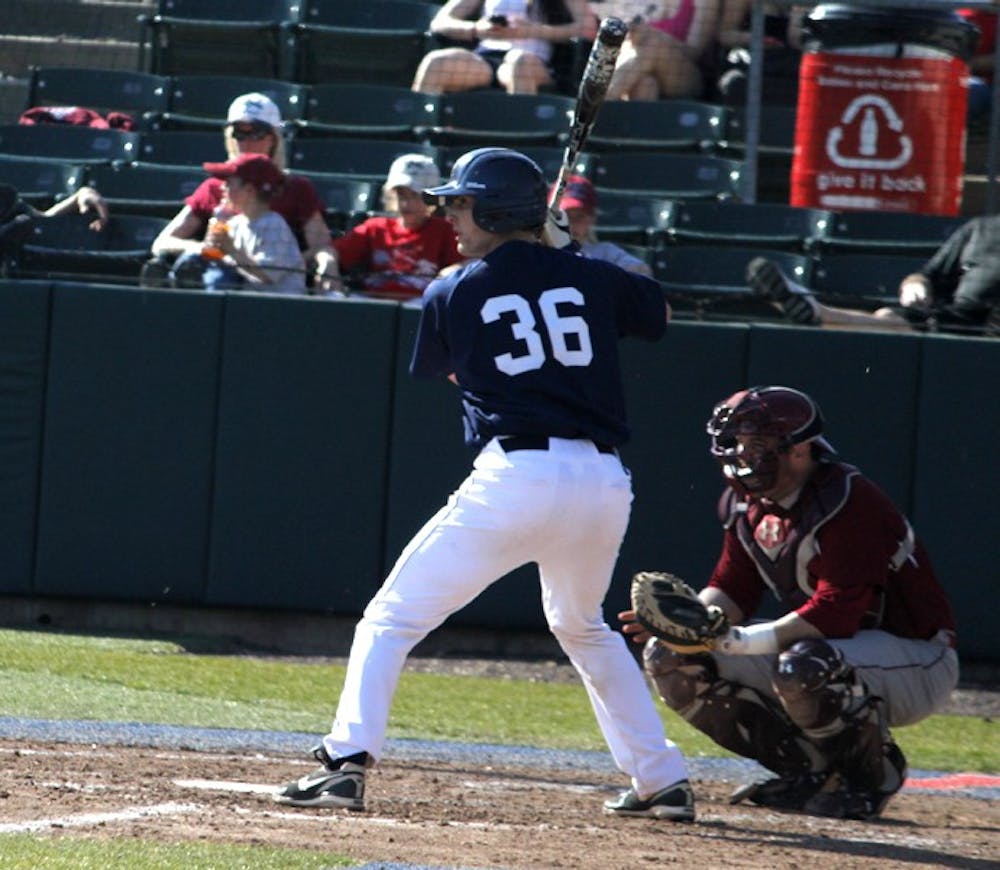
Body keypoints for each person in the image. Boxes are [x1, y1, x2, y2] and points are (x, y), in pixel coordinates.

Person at [273, 146, 695, 821]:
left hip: (519, 476)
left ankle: (344, 764)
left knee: (390, 617)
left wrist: (544, 255)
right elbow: (658, 313)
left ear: (499, 209)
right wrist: (566, 248)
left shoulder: (453, 287)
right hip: (602, 483)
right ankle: (661, 779)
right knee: (583, 626)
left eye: (463, 204)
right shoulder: (594, 276)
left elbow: (454, 369)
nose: (451, 215)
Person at [618, 385, 958, 820]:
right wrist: (686, 624)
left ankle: (871, 775)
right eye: (737, 442)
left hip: (919, 656)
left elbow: (836, 612)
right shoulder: (747, 503)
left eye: (755, 444)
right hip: (838, 649)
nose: (741, 454)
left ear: (798, 450)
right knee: (669, 656)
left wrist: (733, 640)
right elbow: (734, 588)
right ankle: (808, 771)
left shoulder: (849, 502)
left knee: (802, 666)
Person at [148, 93, 329, 285]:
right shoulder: (215, 187)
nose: (246, 142)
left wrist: (292, 265)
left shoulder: (295, 187)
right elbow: (162, 242)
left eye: (257, 133)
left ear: (274, 139)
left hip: (270, 285)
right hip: (220, 278)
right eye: (239, 133)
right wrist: (204, 249)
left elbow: (321, 245)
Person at [746, 211, 1000, 336]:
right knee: (891, 318)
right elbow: (926, 275)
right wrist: (916, 287)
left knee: (896, 325)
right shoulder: (980, 230)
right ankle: (815, 313)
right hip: (951, 322)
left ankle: (819, 314)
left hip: (984, 333)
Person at [313, 154, 463, 300]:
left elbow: (471, 262)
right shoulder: (375, 227)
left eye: (415, 195)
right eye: (401, 195)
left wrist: (454, 270)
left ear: (431, 198)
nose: (406, 204)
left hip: (420, 305)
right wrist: (328, 263)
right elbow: (329, 250)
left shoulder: (444, 230)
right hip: (374, 304)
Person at [411, 0, 593, 96]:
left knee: (517, 62)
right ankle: (418, 152)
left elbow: (588, 28)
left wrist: (533, 31)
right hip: (485, 62)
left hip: (535, 63)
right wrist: (476, 29)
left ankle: (522, 150)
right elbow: (440, 22)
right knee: (435, 63)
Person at [193, 154, 306, 294]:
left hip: (280, 308)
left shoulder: (273, 224)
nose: (222, 188)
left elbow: (267, 275)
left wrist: (231, 249)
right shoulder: (234, 223)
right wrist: (212, 242)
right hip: (246, 304)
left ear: (250, 191)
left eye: (228, 183)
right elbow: (213, 259)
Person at [599, 0, 721, 102]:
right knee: (646, 85)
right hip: (635, 69)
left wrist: (655, 35)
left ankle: (596, 107)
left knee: (653, 45)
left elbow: (694, 53)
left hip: (686, 78)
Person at [552, 174, 652, 274]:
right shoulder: (541, 253)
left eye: (579, 216)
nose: (571, 223)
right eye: (564, 216)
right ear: (549, 218)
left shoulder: (605, 253)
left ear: (592, 219)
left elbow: (642, 271)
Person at [712, 1, 807, 105]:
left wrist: (797, 20)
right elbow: (725, 35)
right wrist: (754, 39)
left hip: (788, 63)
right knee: (737, 84)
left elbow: (796, 42)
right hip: (749, 58)